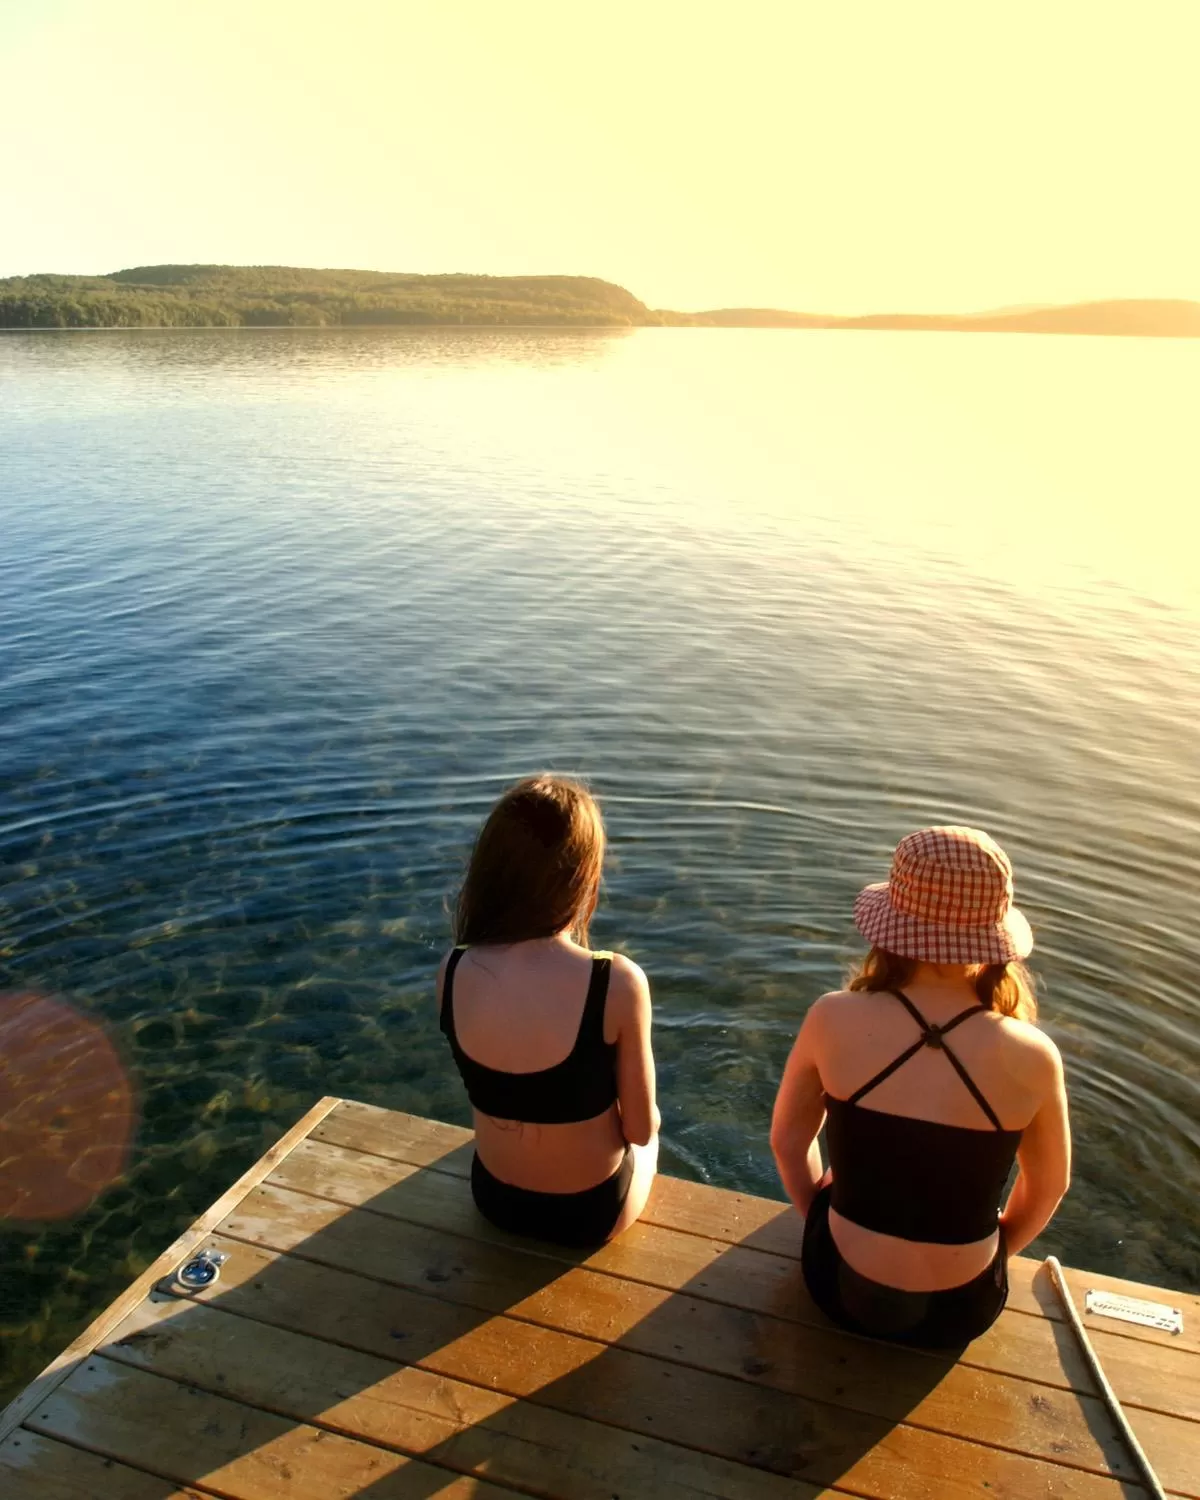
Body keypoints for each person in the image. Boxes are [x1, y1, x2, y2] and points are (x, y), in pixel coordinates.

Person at [771, 825, 1071, 1347]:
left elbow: (788, 1143)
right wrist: (993, 1253)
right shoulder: (1034, 1055)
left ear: (892, 927)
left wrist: (819, 1218)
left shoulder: (832, 1017)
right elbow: (1048, 1188)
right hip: (963, 1310)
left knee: (836, 1178)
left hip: (837, 1286)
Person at [439, 774, 659, 1247]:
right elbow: (639, 1130)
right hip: (590, 1214)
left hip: (494, 1200)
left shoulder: (453, 967)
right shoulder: (616, 981)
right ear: (581, 878)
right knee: (656, 1137)